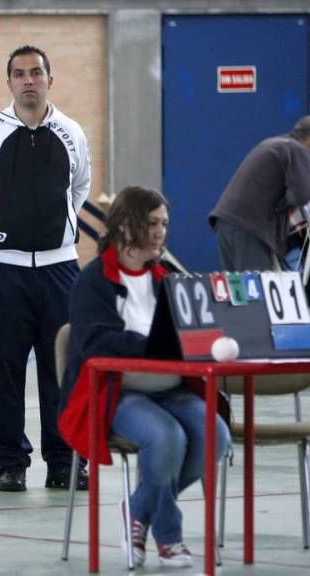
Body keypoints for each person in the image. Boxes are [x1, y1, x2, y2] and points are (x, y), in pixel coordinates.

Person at [58, 186, 231, 568]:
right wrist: (149, 345)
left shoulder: (168, 278)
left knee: (216, 435)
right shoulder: (91, 282)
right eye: (151, 223)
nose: (160, 232)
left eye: (164, 224)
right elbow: (96, 342)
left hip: (171, 386)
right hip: (119, 391)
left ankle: (137, 508)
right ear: (124, 225)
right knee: (166, 437)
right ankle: (169, 536)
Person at [0, 44, 91, 492]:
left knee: (61, 368)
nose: (28, 80)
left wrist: (58, 230)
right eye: (19, 74)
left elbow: (80, 186)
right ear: (10, 82)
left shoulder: (71, 131)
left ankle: (65, 460)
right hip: (6, 271)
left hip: (60, 270)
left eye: (36, 72)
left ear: (50, 79)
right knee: (8, 370)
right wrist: (1, 226)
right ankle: (11, 462)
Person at [209, 115, 310, 271]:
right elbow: (303, 194)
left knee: (239, 293)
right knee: (255, 292)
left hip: (227, 224)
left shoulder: (274, 144)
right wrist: (283, 207)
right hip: (249, 230)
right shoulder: (298, 149)